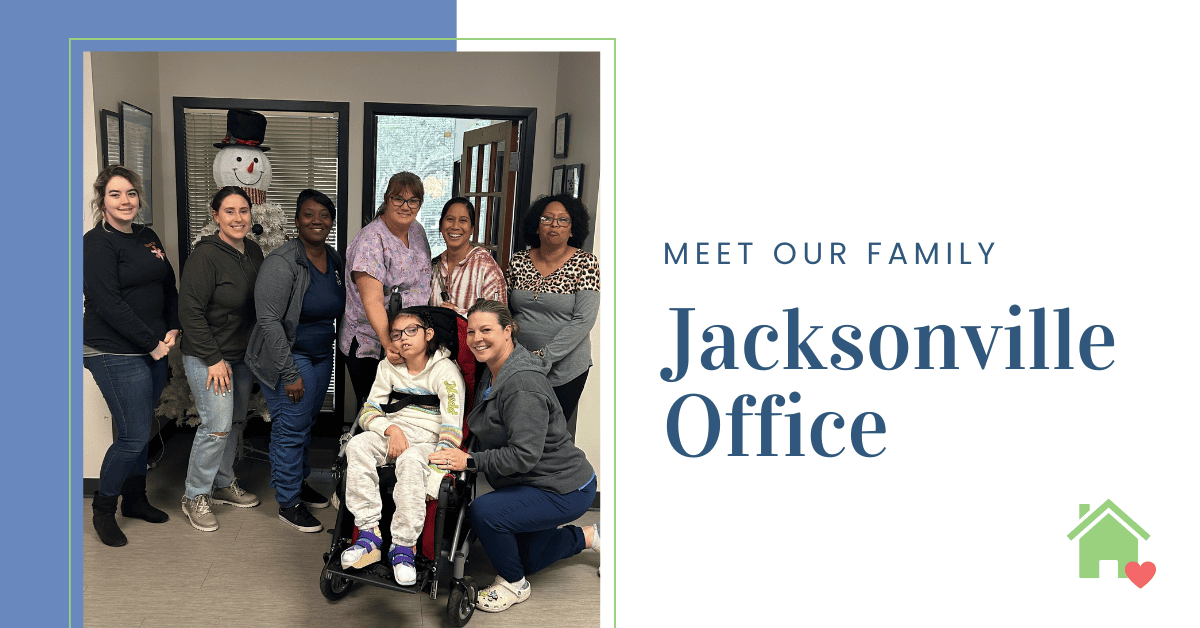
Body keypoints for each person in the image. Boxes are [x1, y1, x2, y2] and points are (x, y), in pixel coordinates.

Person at [432, 300, 599, 612]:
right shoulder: (494, 369)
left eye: (487, 330)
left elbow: (523, 456)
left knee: (485, 512)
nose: (477, 338)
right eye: (471, 331)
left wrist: (469, 461)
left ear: (508, 331)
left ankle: (514, 585)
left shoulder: (522, 384)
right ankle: (589, 536)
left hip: (562, 487)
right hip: (537, 482)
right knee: (529, 559)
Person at [83, 165, 180, 547]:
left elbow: (168, 285)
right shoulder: (96, 243)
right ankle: (104, 509)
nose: (125, 201)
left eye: (131, 193)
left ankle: (135, 500)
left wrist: (172, 327)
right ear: (102, 201)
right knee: (135, 434)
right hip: (112, 349)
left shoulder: (146, 236)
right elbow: (108, 303)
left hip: (155, 345)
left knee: (140, 429)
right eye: (115, 194)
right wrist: (151, 342)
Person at [340, 307, 465, 585]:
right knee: (357, 446)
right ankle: (369, 534)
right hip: (394, 434)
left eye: (411, 331)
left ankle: (404, 546)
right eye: (396, 334)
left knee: (410, 461)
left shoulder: (446, 371)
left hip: (427, 442)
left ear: (428, 334)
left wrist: (435, 476)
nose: (403, 339)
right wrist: (391, 428)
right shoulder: (387, 367)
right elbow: (369, 411)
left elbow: (452, 430)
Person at [246, 189, 344, 533]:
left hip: (321, 355)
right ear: (298, 220)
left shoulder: (333, 259)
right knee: (290, 427)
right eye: (308, 214)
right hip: (288, 356)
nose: (317, 221)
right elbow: (269, 321)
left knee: (305, 424)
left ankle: (298, 485)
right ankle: (288, 503)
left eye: (324, 215)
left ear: (331, 221)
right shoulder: (283, 262)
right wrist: (289, 373)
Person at [178, 186, 265, 531]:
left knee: (236, 423)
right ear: (215, 216)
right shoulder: (205, 257)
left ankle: (223, 482)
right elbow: (190, 312)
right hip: (208, 357)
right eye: (229, 211)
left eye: (243, 211)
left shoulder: (254, 251)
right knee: (216, 426)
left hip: (242, 356)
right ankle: (194, 494)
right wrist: (213, 358)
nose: (238, 218)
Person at [506, 194, 600, 434]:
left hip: (566, 370)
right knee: (520, 431)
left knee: (551, 436)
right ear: (536, 226)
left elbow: (583, 320)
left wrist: (544, 357)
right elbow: (505, 311)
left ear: (572, 229)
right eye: (546, 218)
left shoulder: (585, 263)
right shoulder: (518, 261)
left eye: (563, 220)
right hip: (521, 364)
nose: (554, 224)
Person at [340, 172, 432, 409]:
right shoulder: (371, 240)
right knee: (378, 410)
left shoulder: (417, 231)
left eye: (413, 201)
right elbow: (372, 301)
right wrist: (389, 343)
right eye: (398, 199)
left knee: (404, 410)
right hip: (372, 342)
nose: (405, 206)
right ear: (387, 199)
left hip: (409, 337)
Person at [429, 197, 507, 316]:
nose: (455, 226)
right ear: (440, 226)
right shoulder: (435, 266)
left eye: (463, 220)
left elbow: (498, 319)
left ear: (472, 229)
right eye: (449, 219)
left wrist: (457, 313)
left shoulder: (486, 267)